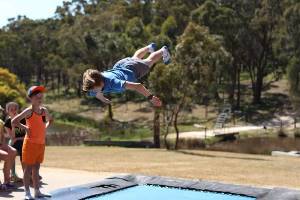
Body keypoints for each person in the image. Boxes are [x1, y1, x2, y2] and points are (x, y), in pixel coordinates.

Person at [82, 43, 171, 107]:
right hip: (121, 64)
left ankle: (163, 51)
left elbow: (138, 86)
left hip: (133, 69)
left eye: (95, 88)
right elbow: (96, 93)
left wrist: (151, 98)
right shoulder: (94, 84)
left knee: (149, 61)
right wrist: (103, 99)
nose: (95, 90)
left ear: (101, 82)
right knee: (135, 58)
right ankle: (149, 47)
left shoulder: (114, 82)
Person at [12, 86, 53, 200]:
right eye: (36, 96)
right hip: (30, 144)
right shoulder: (29, 111)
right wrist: (25, 128)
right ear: (31, 98)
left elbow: (51, 120)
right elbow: (14, 121)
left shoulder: (44, 110)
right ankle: (27, 193)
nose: (39, 98)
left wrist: (45, 127)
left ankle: (37, 192)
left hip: (41, 144)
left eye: (40, 96)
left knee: (36, 169)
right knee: (28, 170)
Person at [4, 102, 25, 183]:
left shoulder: (23, 119)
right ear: (7, 111)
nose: (14, 111)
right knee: (11, 151)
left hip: (23, 141)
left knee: (24, 152)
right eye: (11, 109)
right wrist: (13, 125)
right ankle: (13, 175)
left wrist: (18, 138)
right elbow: (12, 137)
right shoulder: (7, 122)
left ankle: (27, 174)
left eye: (15, 109)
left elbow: (28, 134)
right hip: (14, 142)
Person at [0, 105, 17, 190]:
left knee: (13, 151)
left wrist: (3, 145)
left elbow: (2, 136)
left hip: (0, 145)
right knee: (6, 156)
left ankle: (7, 181)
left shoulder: (1, 122)